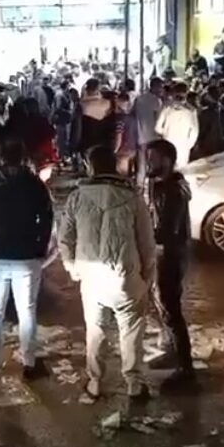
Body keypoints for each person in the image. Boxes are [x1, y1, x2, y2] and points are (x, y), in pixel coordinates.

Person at [59, 145, 156, 400]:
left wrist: (72, 267)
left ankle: (95, 383)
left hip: (92, 279)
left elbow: (65, 238)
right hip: (126, 279)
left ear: (90, 166)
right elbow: (147, 244)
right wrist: (146, 278)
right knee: (131, 332)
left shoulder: (77, 198)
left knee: (96, 330)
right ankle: (134, 384)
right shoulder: (133, 199)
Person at [0, 137, 54, 383]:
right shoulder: (34, 183)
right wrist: (40, 246)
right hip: (27, 257)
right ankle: (29, 364)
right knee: (26, 312)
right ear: (23, 158)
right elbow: (47, 217)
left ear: (0, 157)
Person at [147, 139, 195, 389]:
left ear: (166, 160)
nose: (149, 163)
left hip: (170, 254)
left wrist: (148, 238)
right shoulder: (164, 185)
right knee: (163, 304)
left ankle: (186, 368)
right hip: (168, 252)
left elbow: (168, 227)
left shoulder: (172, 190)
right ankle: (174, 352)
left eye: (153, 158)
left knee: (170, 308)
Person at [155, 81, 199, 169]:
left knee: (167, 170)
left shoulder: (166, 109)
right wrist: (188, 145)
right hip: (183, 146)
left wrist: (166, 132)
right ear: (186, 94)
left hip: (168, 144)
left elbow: (157, 128)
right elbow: (194, 133)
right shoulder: (191, 111)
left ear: (174, 93)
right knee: (181, 171)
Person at [134, 77, 164, 188]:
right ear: (155, 87)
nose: (161, 90)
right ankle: (151, 190)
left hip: (140, 136)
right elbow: (158, 120)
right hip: (153, 137)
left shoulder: (139, 99)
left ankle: (139, 187)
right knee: (153, 166)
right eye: (160, 87)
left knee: (141, 166)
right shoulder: (157, 101)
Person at [193, 84, 224, 158]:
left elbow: (202, 130)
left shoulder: (207, 112)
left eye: (207, 94)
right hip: (219, 143)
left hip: (208, 145)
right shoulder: (221, 109)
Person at [80, 78, 114, 153]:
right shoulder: (107, 103)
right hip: (104, 140)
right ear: (98, 88)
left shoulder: (81, 105)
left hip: (86, 140)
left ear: (87, 89)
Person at [113, 91, 138, 177]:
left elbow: (119, 136)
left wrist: (115, 150)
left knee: (122, 175)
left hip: (123, 150)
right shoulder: (134, 117)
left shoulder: (120, 119)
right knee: (131, 174)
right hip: (133, 149)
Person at [53, 79, 73, 162]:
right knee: (61, 139)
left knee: (64, 139)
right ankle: (61, 157)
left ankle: (63, 156)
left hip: (64, 120)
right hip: (60, 120)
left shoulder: (63, 94)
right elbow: (58, 108)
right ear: (66, 86)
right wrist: (69, 112)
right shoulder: (60, 95)